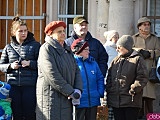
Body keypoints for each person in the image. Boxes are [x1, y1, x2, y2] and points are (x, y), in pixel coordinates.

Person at [36, 21, 83, 120]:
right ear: (51, 34)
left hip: (66, 97)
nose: (63, 33)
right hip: (51, 97)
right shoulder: (46, 49)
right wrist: (70, 91)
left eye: (63, 31)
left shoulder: (66, 49)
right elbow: (52, 74)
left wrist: (78, 89)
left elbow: (76, 70)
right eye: (59, 31)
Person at [0, 15, 41, 120]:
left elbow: (42, 64)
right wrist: (10, 66)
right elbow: (1, 65)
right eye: (20, 31)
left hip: (30, 86)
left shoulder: (35, 46)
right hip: (13, 86)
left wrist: (29, 63)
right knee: (16, 114)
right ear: (14, 32)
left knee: (30, 114)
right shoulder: (8, 47)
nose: (23, 33)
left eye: (25, 31)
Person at [106, 35, 148, 120]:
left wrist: (133, 89)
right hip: (116, 101)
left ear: (126, 47)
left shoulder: (138, 59)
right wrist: (110, 89)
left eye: (119, 47)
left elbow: (142, 77)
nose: (117, 49)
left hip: (131, 101)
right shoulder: (116, 60)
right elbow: (110, 76)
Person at [132, 17, 160, 119]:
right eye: (144, 24)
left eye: (148, 24)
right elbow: (129, 50)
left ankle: (151, 118)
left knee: (149, 102)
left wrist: (150, 53)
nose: (147, 26)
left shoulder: (154, 38)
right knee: (138, 101)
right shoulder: (133, 38)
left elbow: (158, 51)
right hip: (137, 73)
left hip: (150, 72)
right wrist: (139, 51)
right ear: (139, 27)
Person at [70, 38, 104, 120]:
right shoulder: (72, 63)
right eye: (86, 49)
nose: (89, 52)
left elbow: (100, 78)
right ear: (79, 50)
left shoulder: (93, 62)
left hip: (93, 101)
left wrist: (99, 92)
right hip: (79, 101)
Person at [103, 30, 119, 120]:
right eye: (114, 37)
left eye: (117, 37)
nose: (116, 39)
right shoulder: (106, 47)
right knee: (106, 101)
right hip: (108, 76)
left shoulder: (118, 48)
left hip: (117, 77)